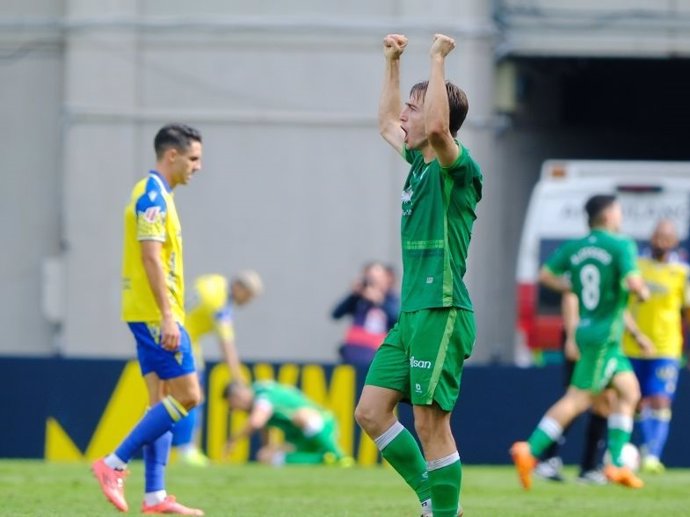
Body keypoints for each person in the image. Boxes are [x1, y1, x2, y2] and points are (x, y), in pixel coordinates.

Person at [354, 33, 482, 517]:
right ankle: (434, 499)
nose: (405, 117)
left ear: (435, 119)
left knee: (431, 423)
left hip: (443, 309)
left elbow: (441, 133)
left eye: (415, 108)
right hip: (411, 314)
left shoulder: (457, 168)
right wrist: (392, 62)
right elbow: (386, 122)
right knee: (370, 412)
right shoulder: (417, 164)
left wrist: (435, 59)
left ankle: (442, 513)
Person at [91, 124, 204, 515]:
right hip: (157, 316)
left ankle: (155, 496)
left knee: (161, 401)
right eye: (193, 158)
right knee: (189, 396)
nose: (198, 166)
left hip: (150, 313)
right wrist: (169, 317)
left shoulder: (160, 195)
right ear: (171, 155)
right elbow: (150, 256)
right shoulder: (151, 196)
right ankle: (113, 463)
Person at [511, 194, 651, 491]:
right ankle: (531, 450)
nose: (621, 216)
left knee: (629, 390)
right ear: (609, 215)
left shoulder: (575, 248)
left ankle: (615, 465)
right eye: (619, 211)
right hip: (603, 336)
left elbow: (545, 274)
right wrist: (642, 292)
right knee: (579, 399)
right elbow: (634, 281)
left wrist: (569, 284)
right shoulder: (621, 244)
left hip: (593, 331)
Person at [172, 270, 264, 466]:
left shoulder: (214, 281)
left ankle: (182, 448)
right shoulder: (220, 304)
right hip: (183, 344)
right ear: (239, 288)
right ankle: (186, 450)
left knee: (174, 396)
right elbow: (227, 346)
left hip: (173, 334)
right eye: (248, 297)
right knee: (194, 396)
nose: (247, 302)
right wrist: (238, 379)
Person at [622, 219, 690, 473]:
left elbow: (687, 312)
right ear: (651, 237)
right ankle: (632, 450)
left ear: (674, 241)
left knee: (660, 400)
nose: (660, 241)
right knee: (634, 401)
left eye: (666, 237)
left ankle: (652, 455)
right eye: (657, 236)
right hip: (631, 346)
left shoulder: (682, 272)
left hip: (666, 348)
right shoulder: (636, 267)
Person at [534, 292, 615, 485]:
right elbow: (571, 294)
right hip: (585, 337)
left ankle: (589, 466)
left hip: (601, 340)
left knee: (604, 401)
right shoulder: (590, 261)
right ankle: (545, 457)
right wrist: (572, 336)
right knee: (577, 400)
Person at [224, 381, 352, 466]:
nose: (235, 409)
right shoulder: (256, 404)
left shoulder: (262, 394)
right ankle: (323, 460)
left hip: (323, 425)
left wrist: (233, 441)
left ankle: (339, 455)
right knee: (264, 456)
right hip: (299, 438)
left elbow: (256, 422)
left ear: (238, 396)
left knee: (301, 416)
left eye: (232, 405)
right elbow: (264, 430)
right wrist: (270, 448)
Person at [331, 261, 399, 367]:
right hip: (351, 356)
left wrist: (380, 302)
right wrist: (353, 295)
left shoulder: (391, 300)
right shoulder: (358, 299)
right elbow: (336, 314)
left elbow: (396, 320)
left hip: (376, 358)